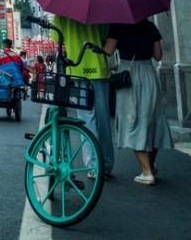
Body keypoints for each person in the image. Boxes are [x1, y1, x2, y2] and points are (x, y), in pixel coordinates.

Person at [104, 19, 173, 185]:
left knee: (133, 120)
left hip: (130, 75)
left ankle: (147, 172)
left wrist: (103, 42)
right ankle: (149, 165)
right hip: (149, 73)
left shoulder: (118, 25)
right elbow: (158, 56)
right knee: (153, 120)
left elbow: (108, 51)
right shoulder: (151, 27)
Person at [55, 14, 114, 179]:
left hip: (78, 71)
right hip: (99, 69)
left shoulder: (62, 13)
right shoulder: (101, 10)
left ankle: (93, 166)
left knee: (86, 119)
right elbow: (104, 39)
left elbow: (58, 39)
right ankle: (107, 164)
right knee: (103, 118)